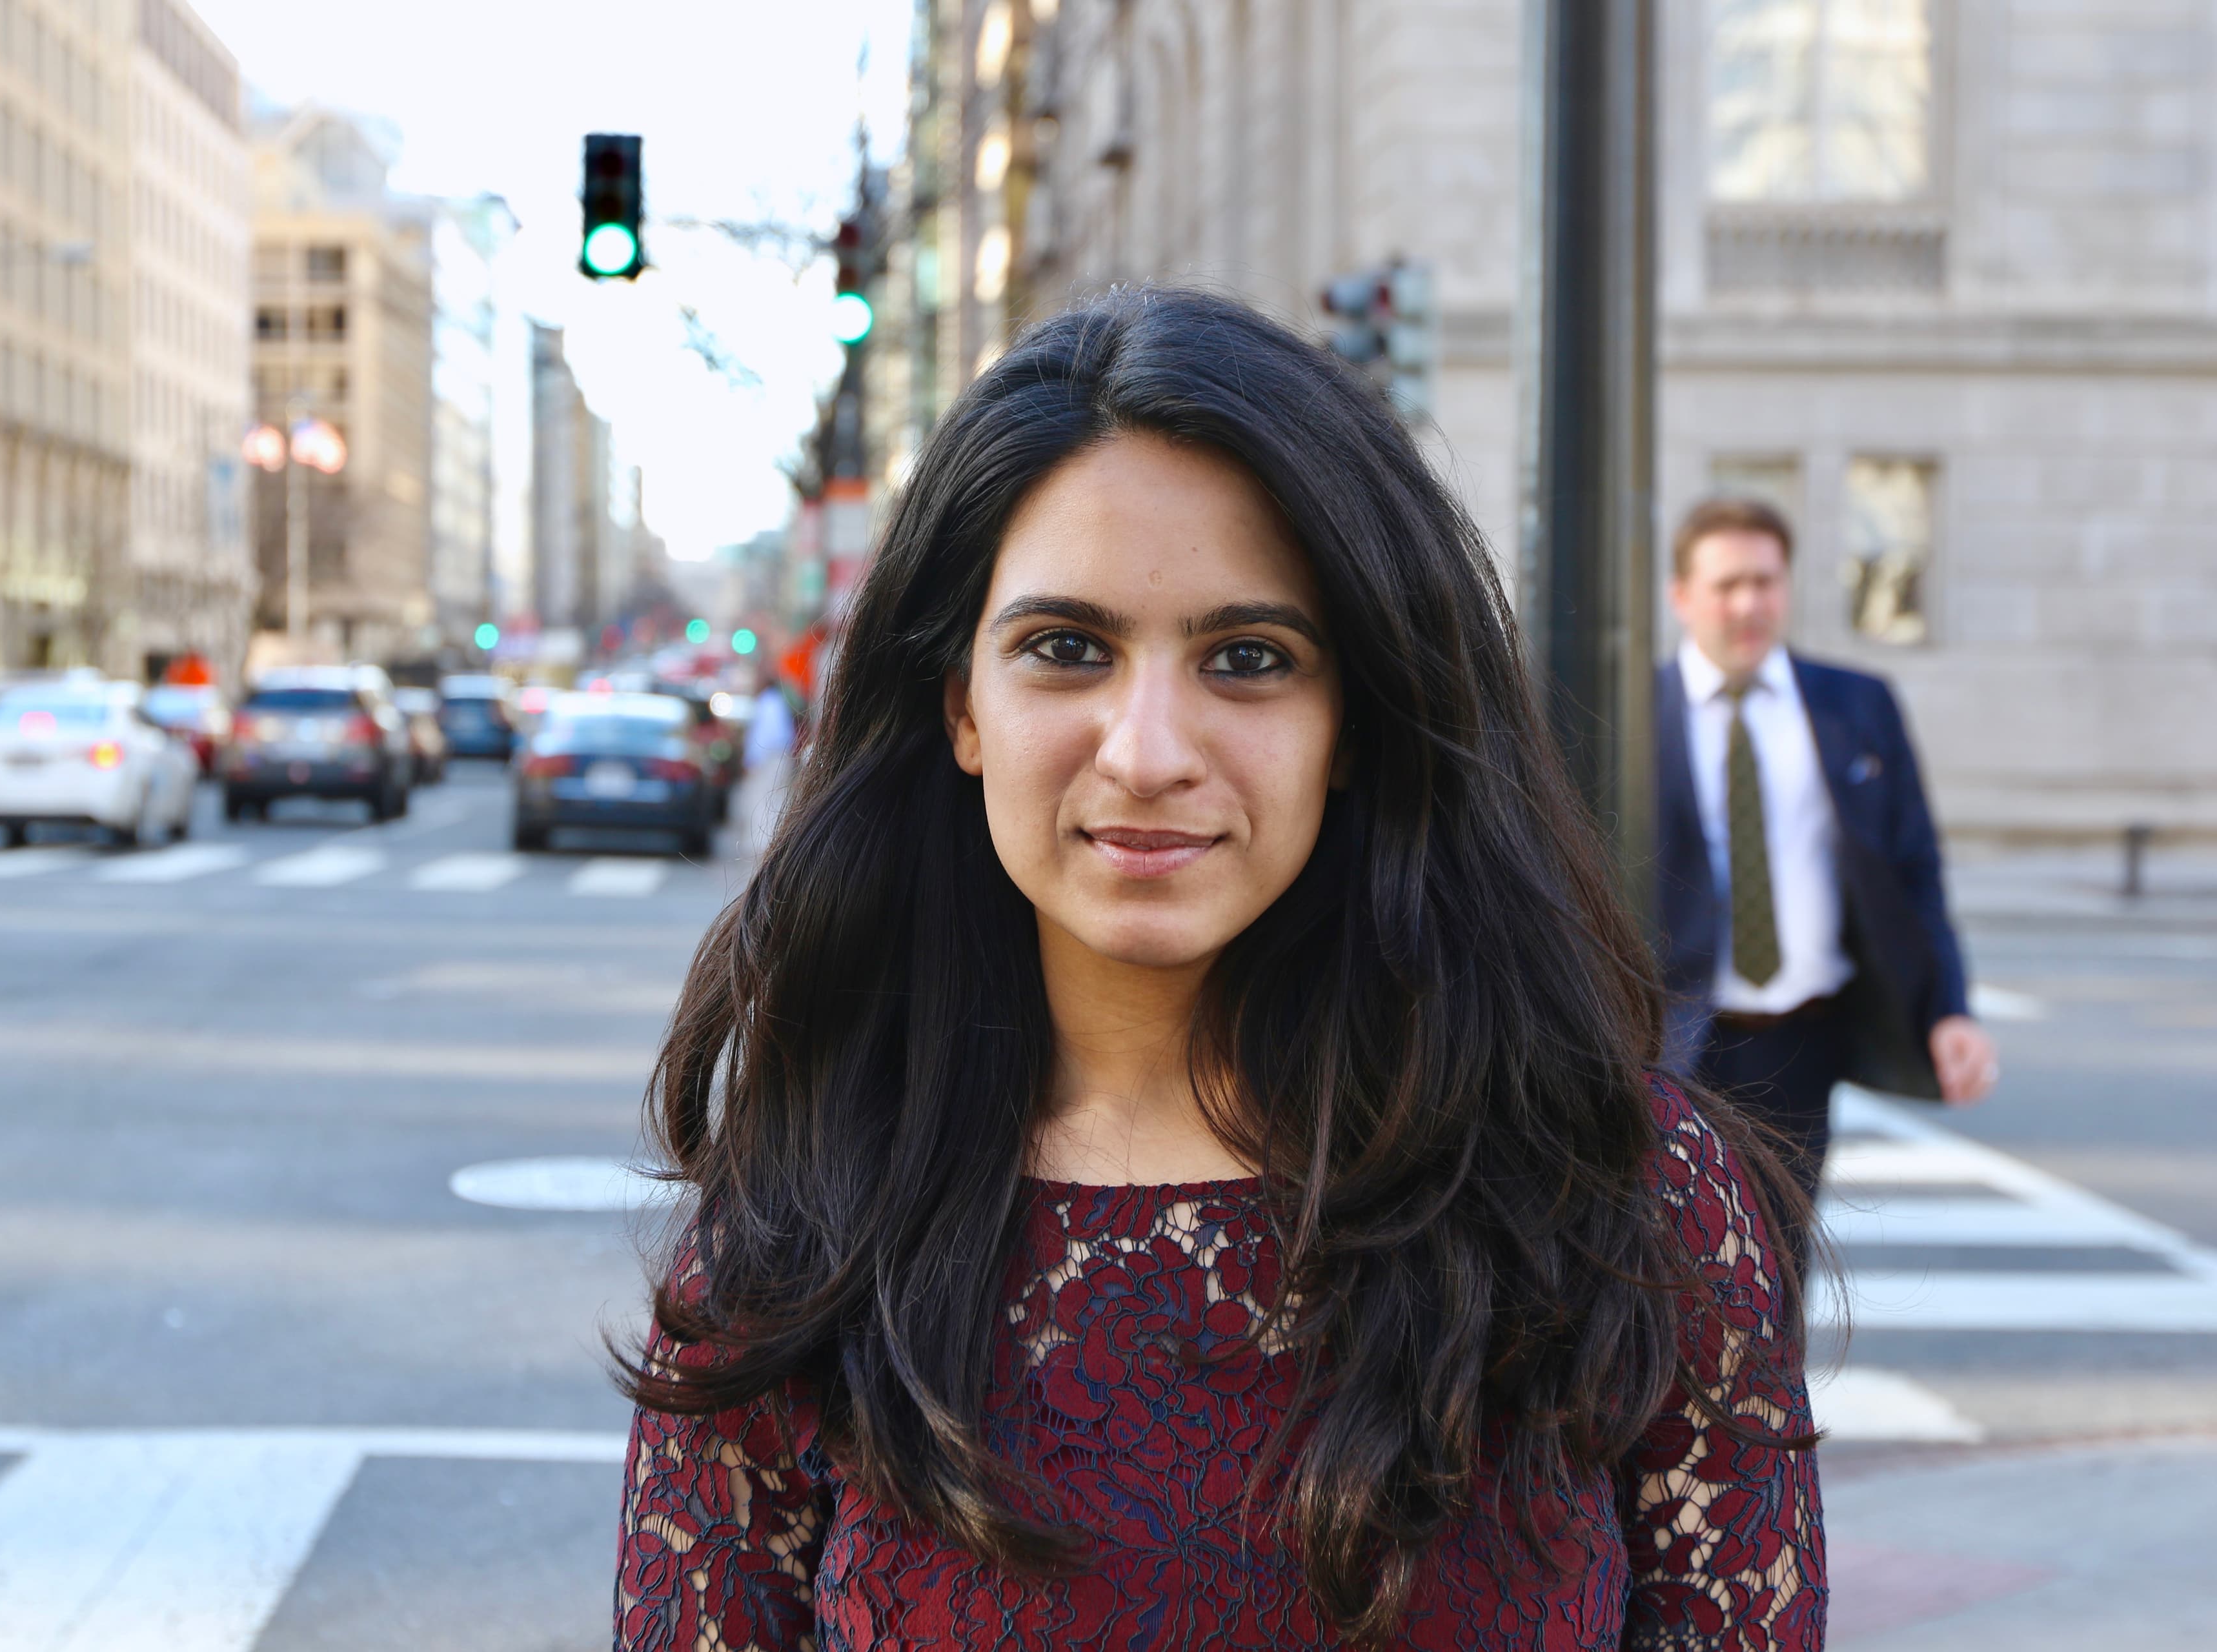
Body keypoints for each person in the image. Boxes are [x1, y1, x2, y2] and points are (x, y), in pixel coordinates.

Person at [615, 290, 1825, 1649]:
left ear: (1354, 720)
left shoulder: (1628, 1200)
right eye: (1066, 649)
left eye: (1247, 659)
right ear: (962, 703)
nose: (1146, 749)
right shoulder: (802, 1229)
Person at [1657, 497, 1998, 1207]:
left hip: (1805, 1044)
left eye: (1766, 580)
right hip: (1676, 1042)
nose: (1750, 602)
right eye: (1728, 585)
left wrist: (1950, 1009)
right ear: (1683, 596)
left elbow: (1913, 869)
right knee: (1672, 1270)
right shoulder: (1630, 711)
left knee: (1780, 1267)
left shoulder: (1856, 706)